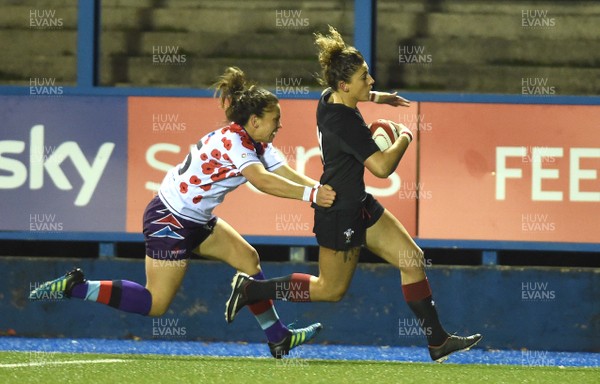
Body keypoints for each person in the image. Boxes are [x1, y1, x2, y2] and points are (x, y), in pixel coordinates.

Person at [29, 67, 336, 359]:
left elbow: (285, 173)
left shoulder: (257, 142)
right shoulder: (234, 142)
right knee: (155, 303)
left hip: (195, 220)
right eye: (274, 120)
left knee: (247, 259)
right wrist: (313, 196)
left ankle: (278, 336)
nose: (278, 126)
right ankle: (77, 287)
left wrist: (324, 191)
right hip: (170, 220)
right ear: (254, 121)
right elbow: (262, 180)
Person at [225, 26, 482, 363]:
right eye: (365, 77)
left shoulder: (328, 98)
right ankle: (252, 289)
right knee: (330, 290)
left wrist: (379, 98)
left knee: (412, 259)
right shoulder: (345, 121)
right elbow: (381, 168)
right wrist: (405, 136)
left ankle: (437, 342)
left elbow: (353, 98)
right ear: (346, 85)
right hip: (339, 210)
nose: (371, 80)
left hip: (359, 203)